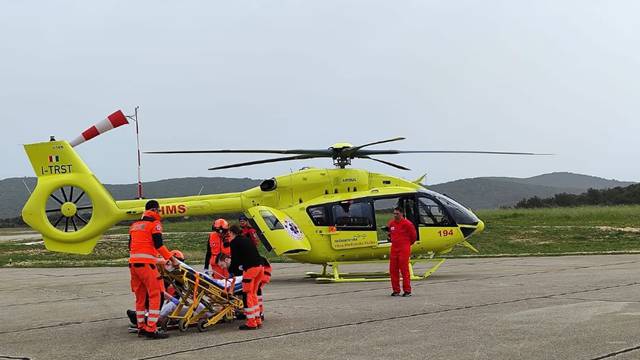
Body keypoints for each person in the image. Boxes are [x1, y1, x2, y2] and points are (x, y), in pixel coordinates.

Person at [128, 200, 178, 339]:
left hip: (133, 265)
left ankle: (141, 327)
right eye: (159, 210)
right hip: (147, 265)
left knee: (140, 297)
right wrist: (172, 260)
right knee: (156, 294)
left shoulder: (134, 225)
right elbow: (159, 246)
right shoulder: (154, 224)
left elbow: (130, 246)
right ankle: (151, 328)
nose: (160, 213)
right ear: (155, 210)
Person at [222, 224, 264, 330]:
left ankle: (251, 322)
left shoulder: (235, 242)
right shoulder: (246, 239)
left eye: (229, 234)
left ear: (231, 233)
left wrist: (231, 271)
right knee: (253, 294)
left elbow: (235, 259)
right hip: (260, 267)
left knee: (247, 294)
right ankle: (257, 320)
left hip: (250, 269)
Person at [387, 207, 417, 297]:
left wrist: (407, 244)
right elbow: (389, 233)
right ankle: (396, 290)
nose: (395, 215)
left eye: (397, 214)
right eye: (394, 214)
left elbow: (413, 237)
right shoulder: (391, 223)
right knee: (393, 270)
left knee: (404, 270)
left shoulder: (408, 224)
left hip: (404, 248)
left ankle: (407, 290)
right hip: (394, 248)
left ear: (402, 214)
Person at [257, 256, 271, 321]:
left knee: (257, 294)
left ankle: (260, 313)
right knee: (257, 294)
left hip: (261, 277)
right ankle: (260, 313)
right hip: (262, 276)